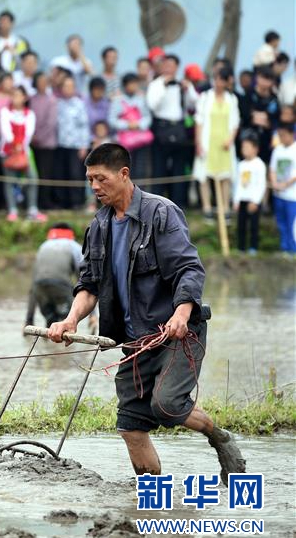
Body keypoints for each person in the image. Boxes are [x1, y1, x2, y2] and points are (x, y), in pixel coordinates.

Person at [48, 143, 245, 482]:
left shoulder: (160, 213)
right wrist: (70, 319)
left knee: (167, 405)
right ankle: (152, 499)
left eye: (101, 178)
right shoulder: (99, 226)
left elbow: (188, 269)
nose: (94, 187)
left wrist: (181, 314)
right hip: (134, 342)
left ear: (124, 174)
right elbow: (89, 284)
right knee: (130, 425)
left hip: (177, 333)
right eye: (90, 179)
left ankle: (219, 437)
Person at [146, 54, 198, 208]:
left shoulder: (182, 84)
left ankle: (179, 204)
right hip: (161, 127)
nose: (168, 68)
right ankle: (156, 204)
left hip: (179, 128)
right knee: (159, 167)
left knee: (179, 168)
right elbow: (153, 105)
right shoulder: (156, 84)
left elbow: (194, 103)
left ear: (177, 67)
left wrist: (188, 89)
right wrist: (164, 85)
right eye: (166, 65)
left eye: (172, 65)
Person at [193, 67, 240, 219]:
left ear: (227, 82)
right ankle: (207, 207)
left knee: (225, 175)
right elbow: (198, 122)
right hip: (208, 141)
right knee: (204, 175)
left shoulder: (231, 99)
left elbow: (235, 122)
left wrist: (230, 139)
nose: (218, 82)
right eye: (216, 79)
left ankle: (225, 208)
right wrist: (198, 143)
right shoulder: (205, 97)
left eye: (222, 79)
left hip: (225, 142)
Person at [25, 223, 84, 327]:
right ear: (71, 234)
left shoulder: (43, 246)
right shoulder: (74, 246)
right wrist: (93, 315)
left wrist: (29, 321)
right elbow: (84, 280)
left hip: (39, 288)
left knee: (51, 324)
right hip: (61, 287)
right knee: (65, 324)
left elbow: (32, 287)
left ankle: (47, 342)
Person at [0, 86, 44, 222]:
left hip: (24, 152)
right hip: (7, 151)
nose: (16, 98)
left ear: (25, 98)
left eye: (19, 95)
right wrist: (13, 143)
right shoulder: (5, 111)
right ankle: (12, 209)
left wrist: (20, 146)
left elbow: (29, 133)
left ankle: (32, 208)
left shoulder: (29, 114)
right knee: (10, 180)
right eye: (13, 95)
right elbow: (5, 131)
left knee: (32, 178)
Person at [109, 73, 153, 181]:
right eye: (131, 84)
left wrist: (138, 124)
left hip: (140, 139)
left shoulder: (141, 99)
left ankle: (140, 195)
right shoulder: (118, 100)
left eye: (135, 83)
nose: (133, 86)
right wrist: (127, 125)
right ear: (125, 85)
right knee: (124, 168)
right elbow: (111, 119)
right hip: (124, 141)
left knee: (141, 170)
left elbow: (148, 117)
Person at [55, 75, 90, 209]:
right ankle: (62, 202)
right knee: (61, 173)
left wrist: (84, 145)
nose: (68, 89)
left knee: (75, 174)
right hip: (60, 144)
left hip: (76, 145)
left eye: (71, 86)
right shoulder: (58, 103)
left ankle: (77, 202)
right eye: (65, 86)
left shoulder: (79, 103)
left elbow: (84, 126)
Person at [233, 135, 266, 255]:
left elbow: (261, 185)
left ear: (255, 149)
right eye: (243, 147)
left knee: (253, 226)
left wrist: (256, 201)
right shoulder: (241, 165)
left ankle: (253, 247)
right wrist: (236, 200)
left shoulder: (259, 164)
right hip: (242, 199)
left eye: (247, 147)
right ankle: (241, 247)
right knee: (241, 225)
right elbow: (238, 184)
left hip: (253, 201)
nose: (244, 150)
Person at [30, 71, 58, 210]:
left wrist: (38, 137)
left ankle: (45, 202)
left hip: (47, 143)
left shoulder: (51, 100)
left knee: (45, 174)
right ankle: (32, 202)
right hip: (31, 143)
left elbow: (50, 123)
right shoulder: (30, 99)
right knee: (33, 173)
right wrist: (31, 136)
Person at [241, 67, 279, 163]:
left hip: (266, 144)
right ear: (257, 78)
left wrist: (257, 116)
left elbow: (272, 121)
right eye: (262, 77)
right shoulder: (248, 95)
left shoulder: (274, 99)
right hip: (248, 141)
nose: (265, 82)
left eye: (268, 79)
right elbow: (246, 116)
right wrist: (263, 117)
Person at [269, 122, 296, 255]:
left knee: (293, 224)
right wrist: (274, 183)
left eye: (284, 135)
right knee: (281, 222)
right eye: (280, 135)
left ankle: (293, 249)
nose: (281, 138)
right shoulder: (277, 149)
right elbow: (272, 168)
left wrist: (285, 184)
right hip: (278, 193)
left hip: (292, 195)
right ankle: (284, 248)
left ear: (292, 134)